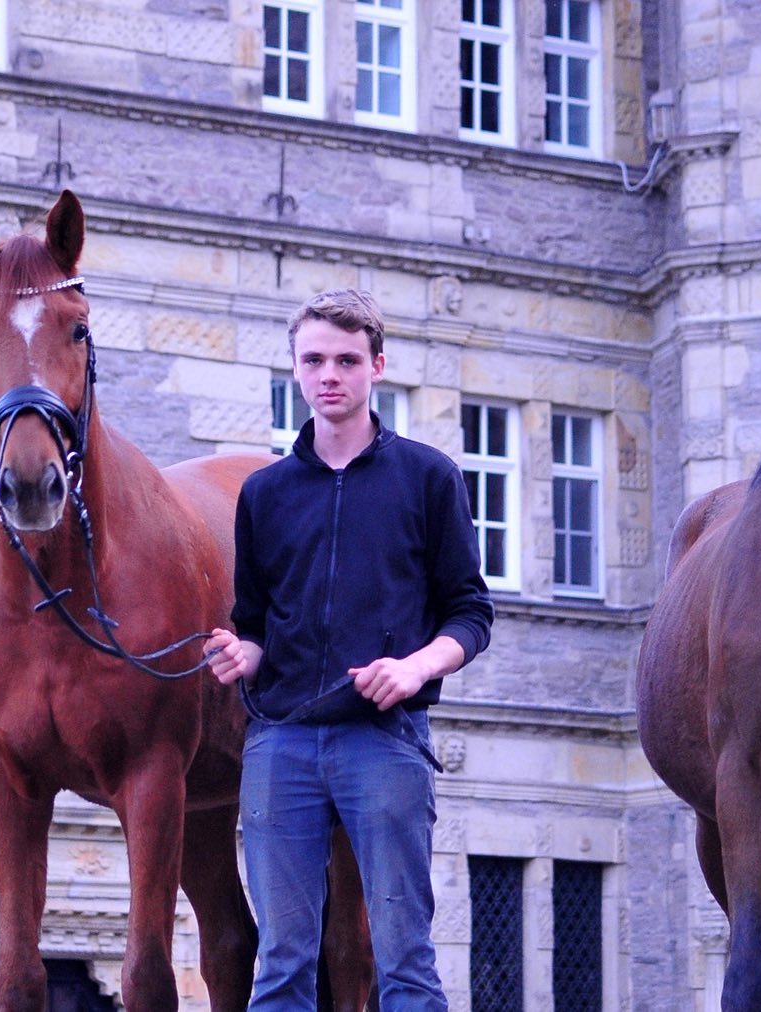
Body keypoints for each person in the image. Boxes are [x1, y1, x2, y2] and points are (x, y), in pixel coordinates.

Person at [206, 288, 494, 1010]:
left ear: (377, 367)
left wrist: (415, 667)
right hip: (280, 745)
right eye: (313, 360)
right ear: (295, 371)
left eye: (345, 359)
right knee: (281, 963)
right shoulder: (266, 493)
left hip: (385, 743)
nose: (328, 373)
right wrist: (244, 653)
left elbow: (470, 613)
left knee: (402, 955)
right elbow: (255, 622)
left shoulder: (428, 478)